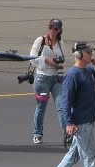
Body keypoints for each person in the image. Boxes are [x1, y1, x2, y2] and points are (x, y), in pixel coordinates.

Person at [28, 18, 68, 146]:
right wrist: (47, 61)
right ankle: (37, 134)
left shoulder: (61, 42)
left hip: (57, 79)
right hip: (42, 79)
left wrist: (58, 64)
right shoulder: (40, 40)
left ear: (60, 30)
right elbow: (32, 58)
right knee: (41, 107)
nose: (52, 30)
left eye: (55, 28)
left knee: (61, 106)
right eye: (50, 27)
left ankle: (68, 133)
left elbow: (63, 60)